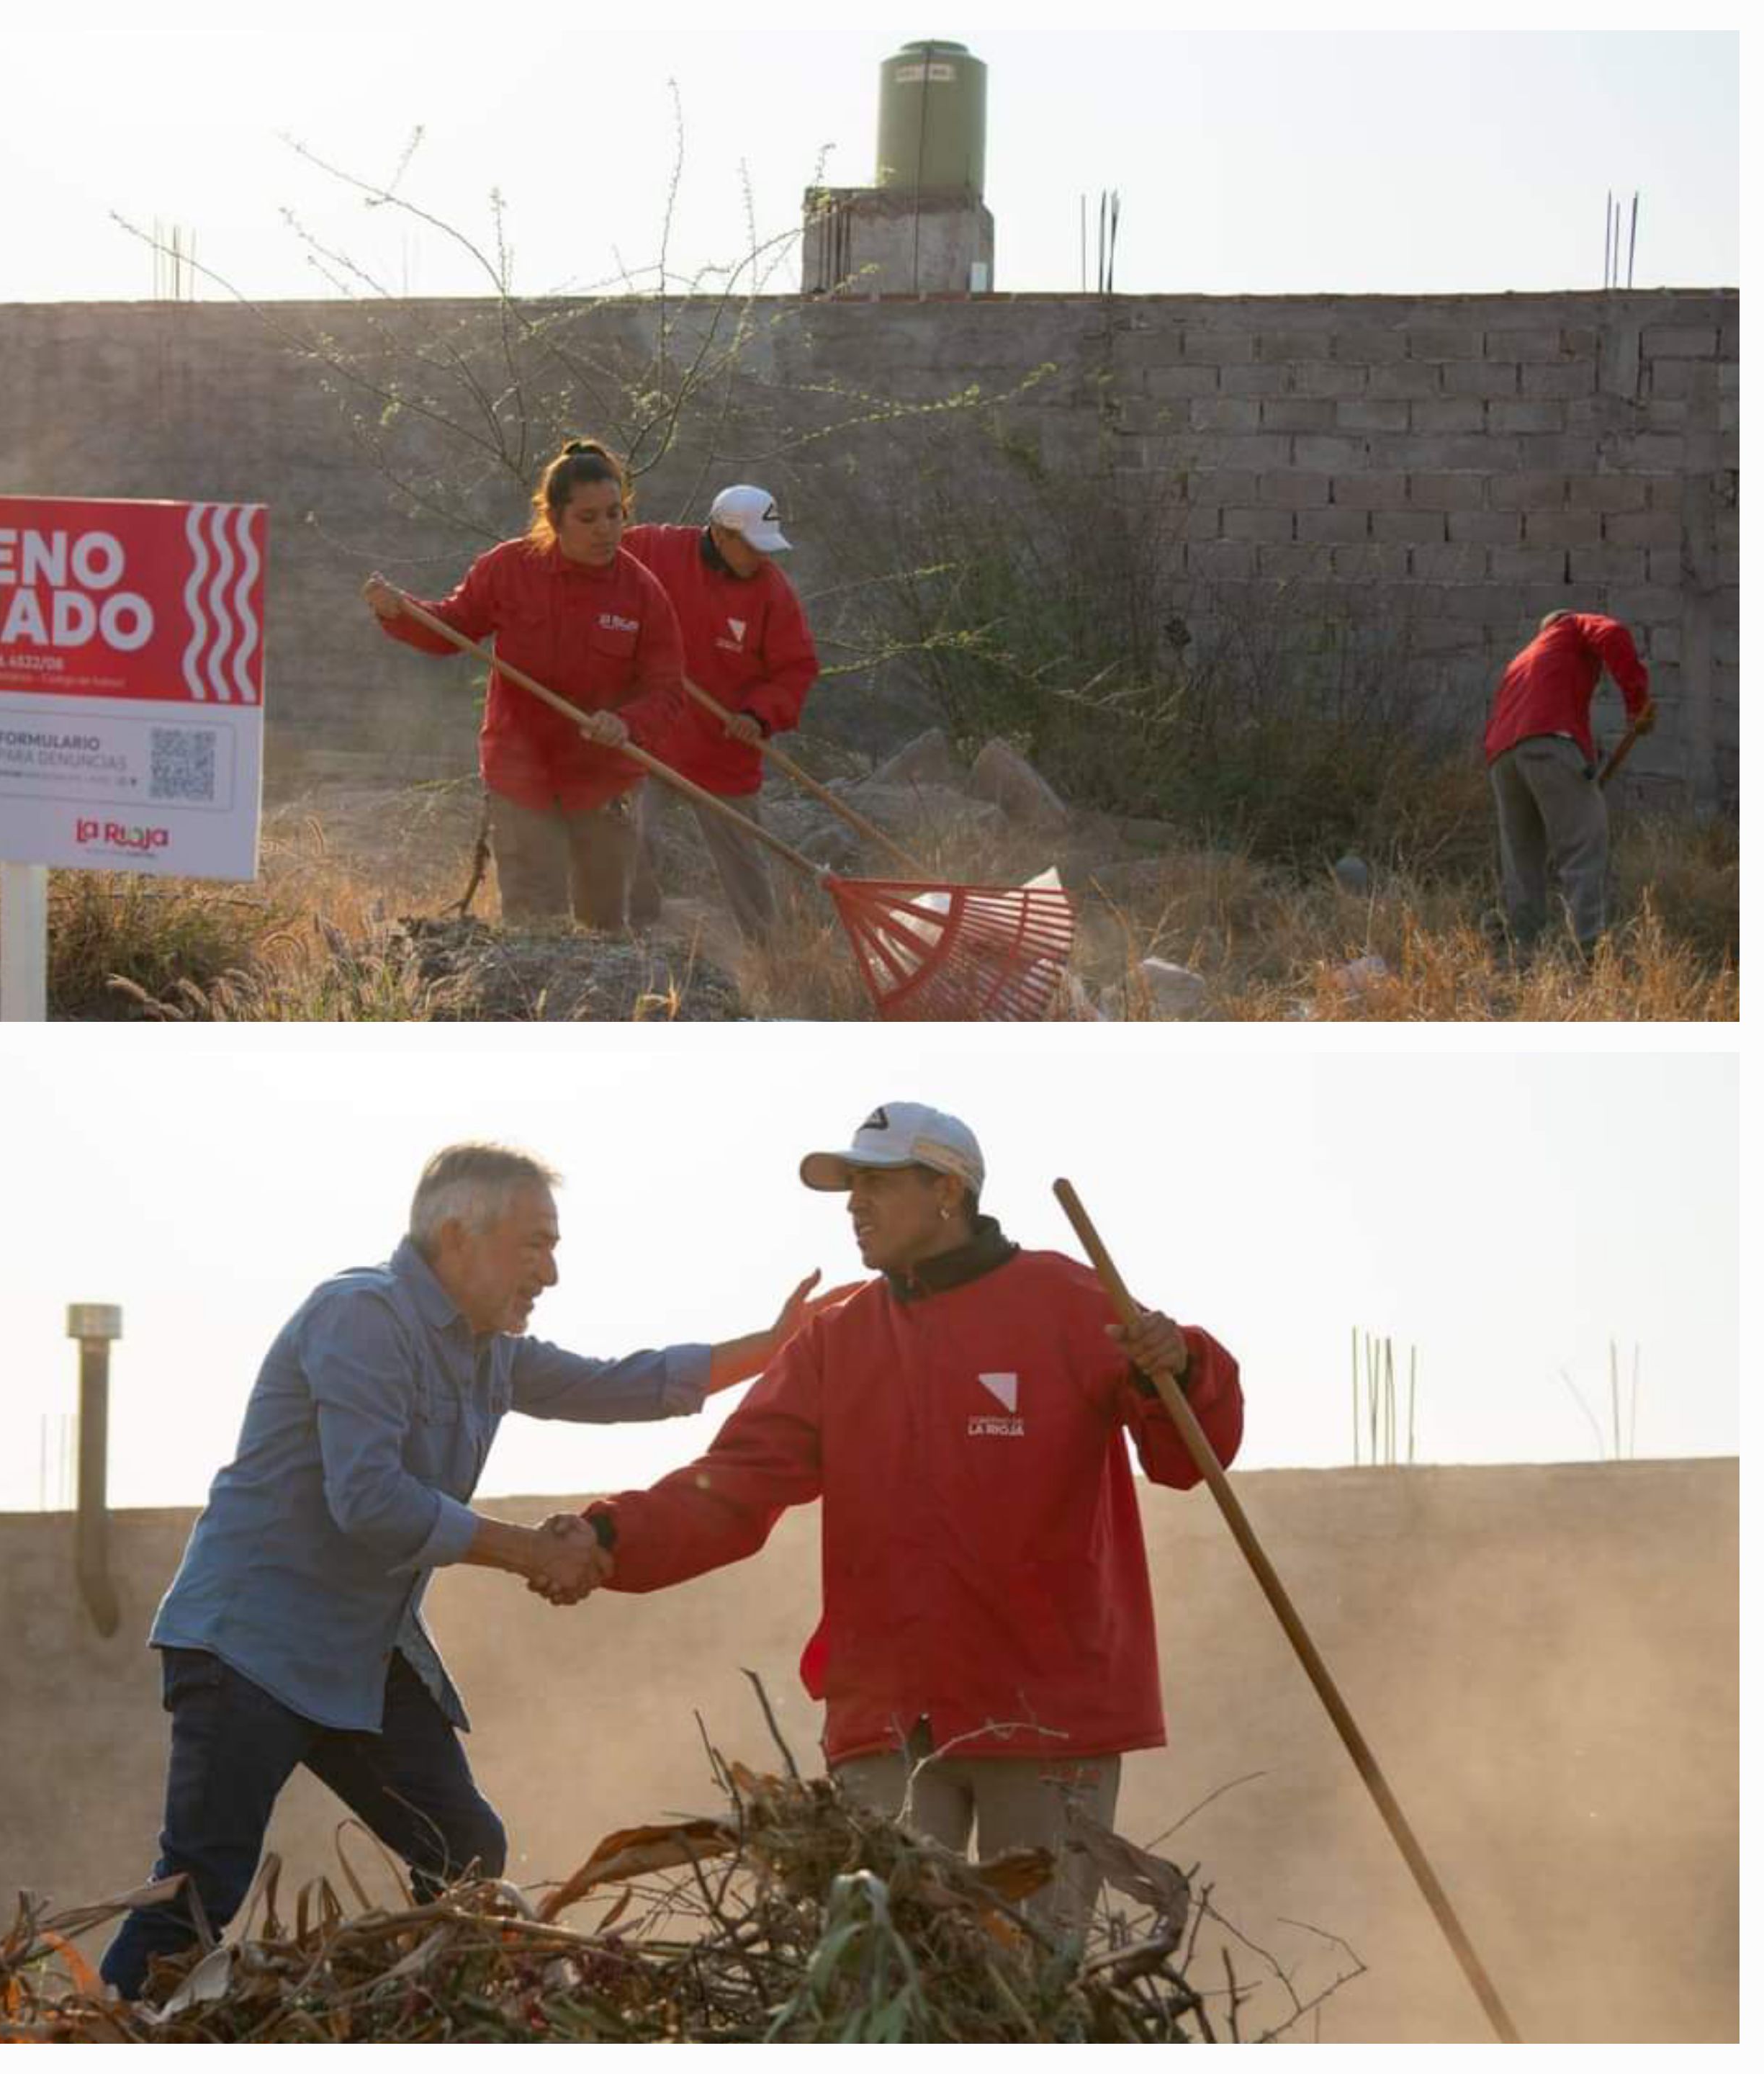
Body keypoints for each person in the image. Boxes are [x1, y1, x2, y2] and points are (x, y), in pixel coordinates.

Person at [99, 1141, 839, 2002]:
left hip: (359, 1655)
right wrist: (531, 1551)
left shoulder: (490, 1348)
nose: (551, 1273)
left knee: (465, 1852)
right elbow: (370, 1501)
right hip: (249, 1649)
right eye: (535, 1245)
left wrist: (774, 1347)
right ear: (458, 1236)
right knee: (196, 1893)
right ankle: (94, 2035)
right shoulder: (363, 1317)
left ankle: (431, 2014)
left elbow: (612, 1386)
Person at [557, 1103, 1243, 1936]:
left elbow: (1186, 1457)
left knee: (1028, 1974)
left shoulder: (1069, 1300)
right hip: (883, 1722)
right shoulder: (835, 1335)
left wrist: (1188, 1363)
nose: (855, 1204)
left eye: (876, 1181)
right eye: (850, 1186)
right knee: (885, 1968)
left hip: (1047, 1717)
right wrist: (606, 1540)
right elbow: (734, 1486)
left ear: (948, 1189)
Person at [362, 440, 685, 931]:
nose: (605, 530)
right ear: (554, 518)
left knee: (606, 930)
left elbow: (667, 691)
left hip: (604, 780)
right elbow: (452, 627)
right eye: (588, 518)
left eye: (614, 514)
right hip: (521, 775)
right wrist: (399, 611)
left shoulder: (644, 593)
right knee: (536, 924)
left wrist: (626, 723)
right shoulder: (508, 568)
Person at [621, 486, 818, 943]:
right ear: (720, 533)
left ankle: (772, 956)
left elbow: (796, 669)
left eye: (765, 547)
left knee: (743, 862)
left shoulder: (772, 592)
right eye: (751, 546)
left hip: (725, 745)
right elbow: (598, 554)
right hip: (655, 733)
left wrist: (758, 715)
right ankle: (632, 936)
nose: (759, 558)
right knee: (636, 838)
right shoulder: (659, 548)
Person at [1482, 609, 1655, 956]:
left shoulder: (1523, 659)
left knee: (1522, 859)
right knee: (1583, 847)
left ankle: (1522, 950)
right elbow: (1614, 632)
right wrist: (1637, 703)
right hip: (1550, 742)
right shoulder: (1574, 626)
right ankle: (1590, 951)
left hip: (1503, 759)